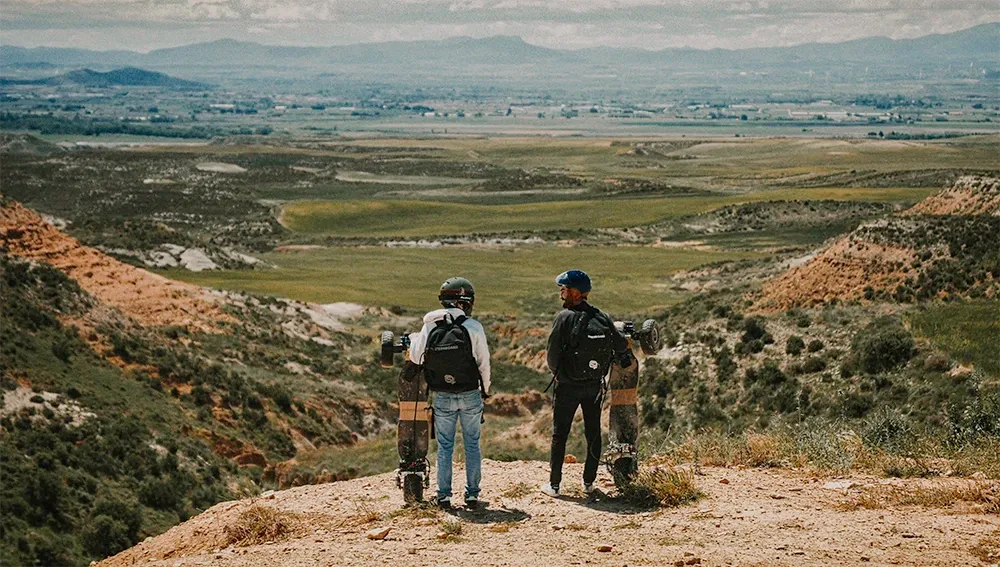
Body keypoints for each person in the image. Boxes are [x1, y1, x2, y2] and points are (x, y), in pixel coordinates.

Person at [541, 269, 628, 497]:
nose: (561, 293)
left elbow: (552, 355)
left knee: (560, 434)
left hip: (568, 386)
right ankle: (589, 483)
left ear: (575, 293)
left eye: (564, 289)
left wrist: (560, 374)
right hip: (594, 385)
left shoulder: (564, 318)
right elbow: (620, 346)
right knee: (593, 432)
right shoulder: (601, 316)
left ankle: (554, 485)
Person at [408, 277, 491, 509]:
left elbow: (416, 357)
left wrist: (414, 339)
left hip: (442, 394)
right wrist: (486, 389)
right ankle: (472, 494)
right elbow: (483, 363)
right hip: (469, 392)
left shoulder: (430, 325)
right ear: (464, 302)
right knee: (472, 444)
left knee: (445, 446)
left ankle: (443, 496)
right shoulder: (473, 327)